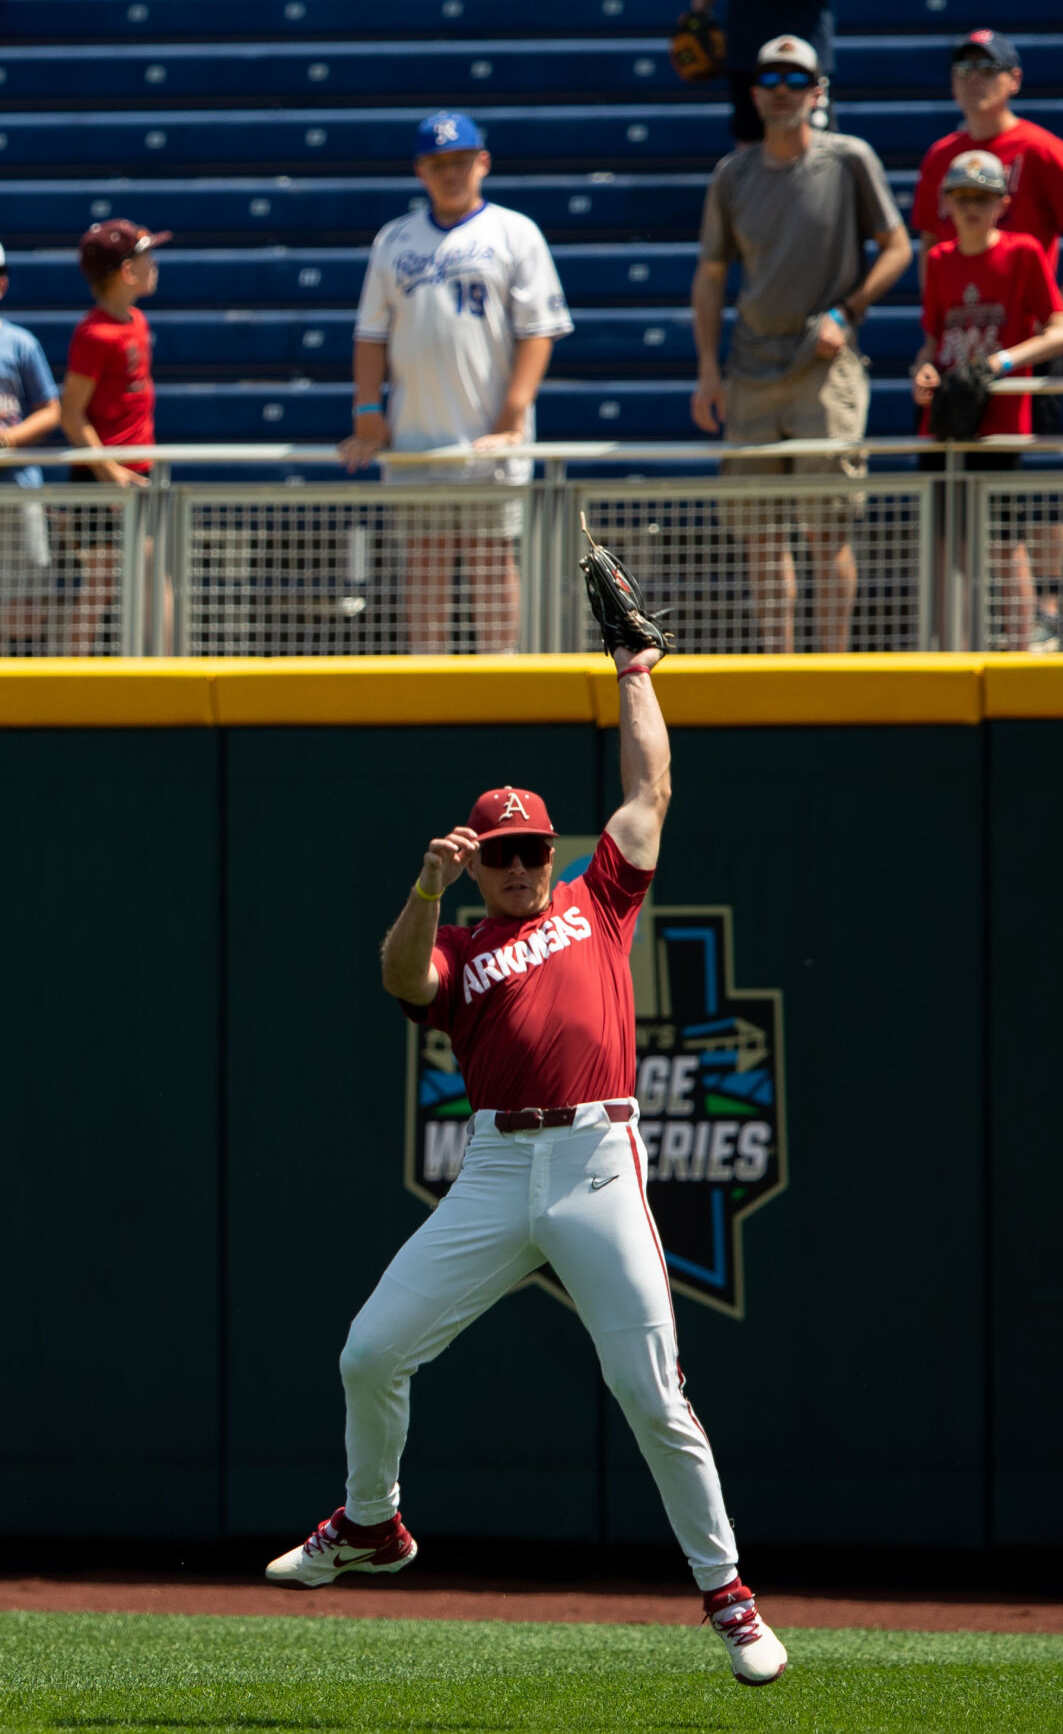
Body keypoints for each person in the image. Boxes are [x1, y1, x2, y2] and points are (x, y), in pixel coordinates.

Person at [264, 644, 789, 1689]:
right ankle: (372, 1522)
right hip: (499, 1166)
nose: (516, 867)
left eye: (529, 850)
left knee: (651, 1392)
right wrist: (426, 884)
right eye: (499, 853)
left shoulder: (598, 899)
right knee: (369, 1353)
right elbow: (396, 975)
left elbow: (651, 784)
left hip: (596, 1156)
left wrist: (634, 668)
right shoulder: (456, 945)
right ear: (478, 859)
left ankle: (727, 1594)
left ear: (554, 850)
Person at [690, 33, 911, 652]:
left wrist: (849, 309)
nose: (781, 91)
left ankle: (831, 673)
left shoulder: (848, 159)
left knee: (827, 529)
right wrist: (709, 369)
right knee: (761, 537)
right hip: (752, 368)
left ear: (817, 91)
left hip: (826, 365)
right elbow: (710, 276)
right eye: (769, 80)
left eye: (795, 80)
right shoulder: (732, 174)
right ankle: (778, 669)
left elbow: (897, 247)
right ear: (754, 93)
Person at [340, 112, 573, 655]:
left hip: (488, 437)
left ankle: (504, 680)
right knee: (424, 567)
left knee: (492, 561)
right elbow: (371, 334)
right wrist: (367, 410)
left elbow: (538, 332)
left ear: (483, 162)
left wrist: (512, 416)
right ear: (420, 169)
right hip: (417, 437)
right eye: (438, 163)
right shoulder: (394, 239)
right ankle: (429, 686)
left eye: (461, 161)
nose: (451, 173)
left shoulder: (515, 232)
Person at [912, 29, 1063, 645]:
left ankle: (1040, 617)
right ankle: (956, 639)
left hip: (1021, 347)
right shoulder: (942, 155)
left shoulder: (1038, 147)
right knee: (955, 522)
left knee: (1018, 500)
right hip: (961, 350)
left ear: (1012, 78)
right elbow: (929, 250)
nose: (973, 77)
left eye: (987, 66)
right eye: (963, 67)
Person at [911, 151, 1063, 651]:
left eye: (982, 198)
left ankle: (1022, 642)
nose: (971, 208)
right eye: (961, 198)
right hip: (948, 423)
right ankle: (945, 647)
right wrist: (925, 371)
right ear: (947, 205)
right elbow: (935, 340)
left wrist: (999, 364)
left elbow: (1059, 332)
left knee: (1005, 541)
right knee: (945, 544)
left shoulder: (1023, 253)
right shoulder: (939, 260)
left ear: (1003, 202)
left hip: (1000, 419)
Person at [60, 218, 170, 657]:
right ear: (127, 271)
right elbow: (71, 413)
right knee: (102, 580)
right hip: (104, 479)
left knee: (153, 572)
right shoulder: (94, 334)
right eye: (148, 257)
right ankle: (69, 677)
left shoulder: (137, 321)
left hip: (138, 471)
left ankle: (166, 669)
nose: (155, 265)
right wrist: (108, 472)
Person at [684, 0, 839, 141]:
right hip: (748, 42)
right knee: (750, 140)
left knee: (818, 144)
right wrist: (698, 12)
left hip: (804, 43)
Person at [0, 244, 62, 654]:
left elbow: (51, 410)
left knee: (22, 604)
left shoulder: (19, 344)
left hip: (16, 488)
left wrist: (6, 440)